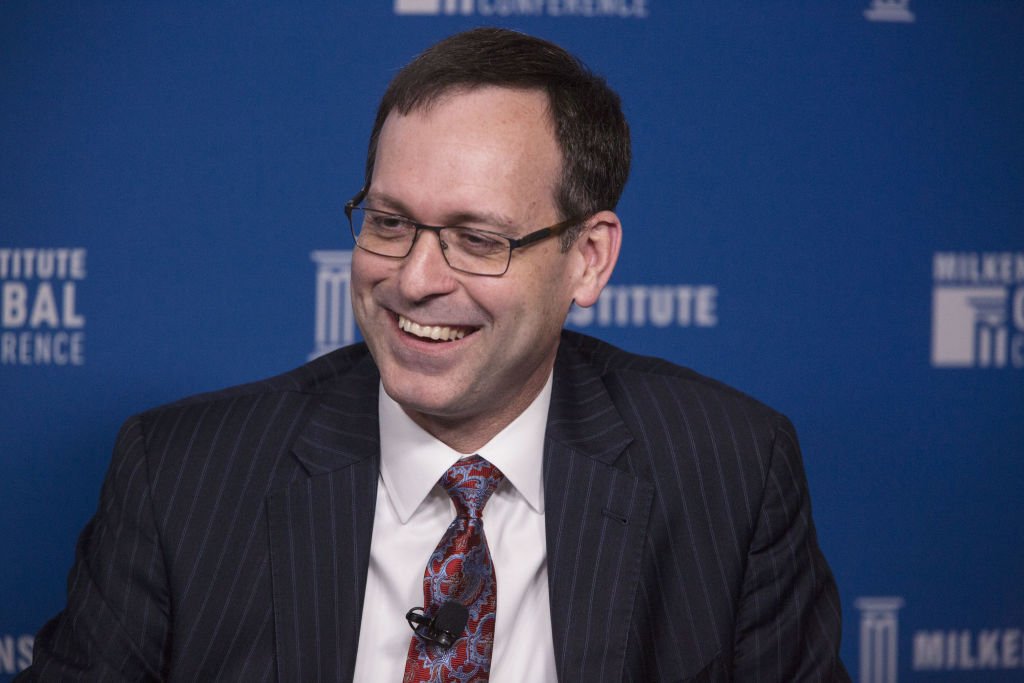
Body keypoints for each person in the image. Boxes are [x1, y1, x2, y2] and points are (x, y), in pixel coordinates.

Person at [20, 27, 850, 682]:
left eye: (477, 239)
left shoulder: (731, 472)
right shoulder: (179, 479)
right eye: (389, 223)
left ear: (589, 259)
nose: (414, 279)